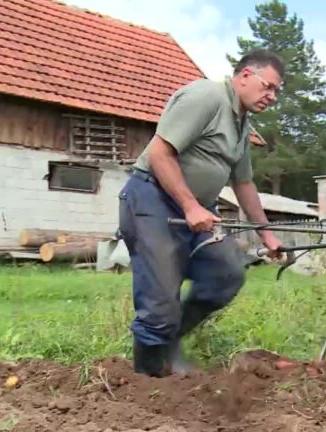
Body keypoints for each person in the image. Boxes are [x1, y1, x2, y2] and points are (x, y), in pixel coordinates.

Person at [117, 49, 285, 377]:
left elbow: (243, 183)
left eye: (276, 91)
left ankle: (169, 342)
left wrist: (266, 234)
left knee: (225, 275)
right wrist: (190, 205)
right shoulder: (206, 98)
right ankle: (146, 381)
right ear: (245, 76)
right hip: (152, 201)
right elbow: (160, 154)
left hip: (198, 210)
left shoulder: (241, 123)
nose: (272, 97)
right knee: (159, 305)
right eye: (268, 86)